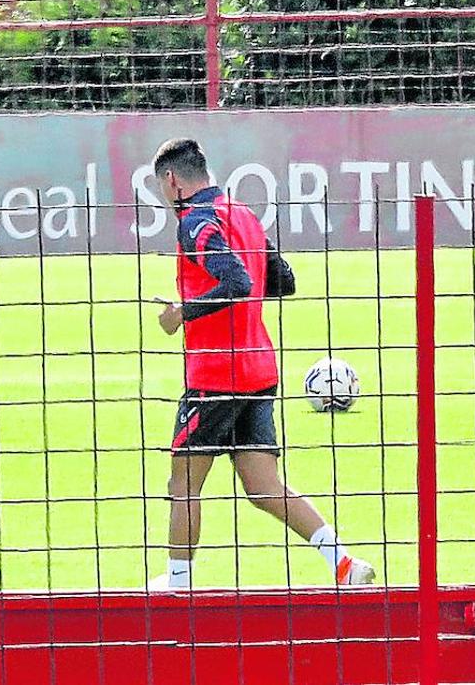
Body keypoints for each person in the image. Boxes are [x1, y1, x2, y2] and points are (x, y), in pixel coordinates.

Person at [147, 138, 374, 589]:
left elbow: (236, 280)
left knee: (184, 482)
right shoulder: (243, 214)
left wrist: (182, 313)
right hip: (258, 371)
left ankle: (177, 584)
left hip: (214, 375)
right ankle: (342, 563)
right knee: (263, 485)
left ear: (171, 180)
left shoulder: (195, 223)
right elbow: (282, 280)